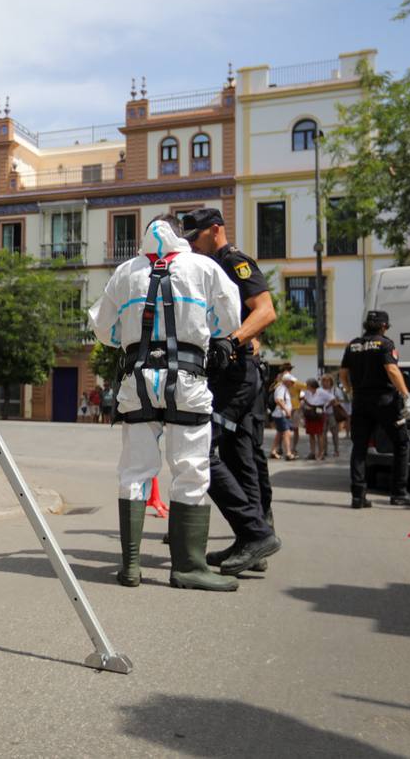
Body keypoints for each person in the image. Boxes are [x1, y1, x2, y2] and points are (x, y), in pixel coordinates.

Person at [90, 213, 243, 591]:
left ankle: (130, 567)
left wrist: (129, 337)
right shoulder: (203, 267)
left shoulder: (125, 272)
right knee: (191, 470)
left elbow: (102, 328)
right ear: (180, 235)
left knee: (135, 471)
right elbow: (229, 320)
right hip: (188, 380)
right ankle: (188, 568)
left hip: (137, 380)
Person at [180, 207, 282, 576]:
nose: (192, 245)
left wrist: (234, 340)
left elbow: (265, 311)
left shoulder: (234, 262)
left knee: (203, 448)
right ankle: (253, 540)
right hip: (227, 372)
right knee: (239, 457)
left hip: (237, 374)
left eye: (196, 237)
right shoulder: (208, 266)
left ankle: (256, 534)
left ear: (215, 230)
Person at [340, 310, 410, 509]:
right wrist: (406, 396)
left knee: (359, 447)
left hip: (360, 402)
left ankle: (358, 496)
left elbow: (343, 373)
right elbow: (392, 370)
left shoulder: (353, 345)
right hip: (384, 402)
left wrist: (350, 391)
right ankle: (399, 493)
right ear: (384, 326)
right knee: (401, 443)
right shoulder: (385, 344)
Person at [300, 378, 333, 460]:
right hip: (310, 413)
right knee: (311, 434)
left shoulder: (321, 391)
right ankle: (312, 453)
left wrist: (325, 406)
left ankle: (321, 453)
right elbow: (305, 400)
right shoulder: (307, 392)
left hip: (318, 413)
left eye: (308, 385)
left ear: (312, 385)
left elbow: (332, 399)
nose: (306, 386)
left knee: (319, 434)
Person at [270, 370, 297, 461]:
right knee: (286, 433)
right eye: (291, 381)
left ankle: (273, 451)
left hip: (281, 414)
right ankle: (288, 453)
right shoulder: (281, 388)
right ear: (286, 381)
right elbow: (278, 400)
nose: (293, 383)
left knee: (280, 433)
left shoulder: (283, 388)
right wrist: (286, 410)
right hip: (281, 414)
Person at [321, 373, 346, 457]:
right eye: (324, 381)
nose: (325, 383)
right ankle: (324, 450)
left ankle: (336, 450)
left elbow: (341, 400)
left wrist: (334, 402)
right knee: (323, 433)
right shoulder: (320, 390)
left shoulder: (335, 390)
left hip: (333, 414)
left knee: (334, 433)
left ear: (331, 382)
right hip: (323, 414)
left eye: (327, 381)